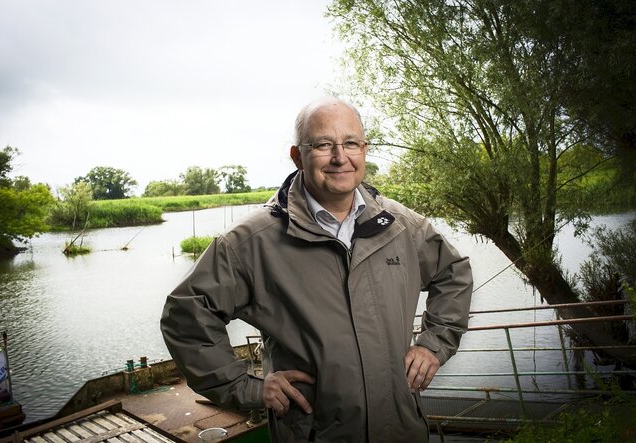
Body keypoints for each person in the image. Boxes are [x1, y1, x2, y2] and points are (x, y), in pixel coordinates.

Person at [161, 97, 473, 442]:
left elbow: (453, 274)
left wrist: (433, 344)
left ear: (364, 149)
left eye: (351, 143)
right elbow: (186, 317)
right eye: (324, 145)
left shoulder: (400, 225)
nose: (341, 157)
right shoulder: (251, 242)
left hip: (401, 429)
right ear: (298, 156)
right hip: (312, 434)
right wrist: (245, 387)